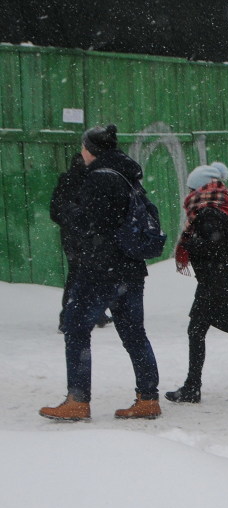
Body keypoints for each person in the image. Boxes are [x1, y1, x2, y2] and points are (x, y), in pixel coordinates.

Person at [41, 124, 161, 421]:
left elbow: (93, 224)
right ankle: (148, 398)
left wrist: (69, 212)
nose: (81, 152)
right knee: (134, 334)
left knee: (75, 327)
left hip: (101, 267)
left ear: (91, 149)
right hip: (130, 268)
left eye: (83, 147)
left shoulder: (99, 179)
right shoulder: (127, 174)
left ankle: (77, 401)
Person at [166, 163, 228, 404]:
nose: (189, 194)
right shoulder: (218, 208)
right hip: (227, 282)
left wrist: (190, 245)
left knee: (205, 332)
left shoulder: (208, 213)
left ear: (201, 188)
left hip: (219, 285)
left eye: (192, 188)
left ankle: (194, 387)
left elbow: (216, 246)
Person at [50, 151, 110, 332]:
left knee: (76, 273)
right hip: (90, 237)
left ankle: (77, 314)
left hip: (71, 237)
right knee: (94, 273)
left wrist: (70, 225)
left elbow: (55, 212)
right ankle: (75, 316)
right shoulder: (94, 182)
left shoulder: (66, 182)